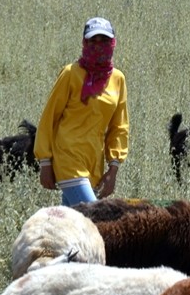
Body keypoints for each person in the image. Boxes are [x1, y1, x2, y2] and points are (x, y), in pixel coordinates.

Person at [34, 17, 129, 207]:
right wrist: (45, 162)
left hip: (93, 162)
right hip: (68, 159)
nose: (98, 45)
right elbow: (49, 118)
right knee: (96, 220)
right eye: (92, 41)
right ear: (84, 43)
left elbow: (119, 127)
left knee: (73, 229)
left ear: (112, 43)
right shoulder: (70, 73)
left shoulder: (118, 79)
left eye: (103, 40)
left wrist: (113, 169)